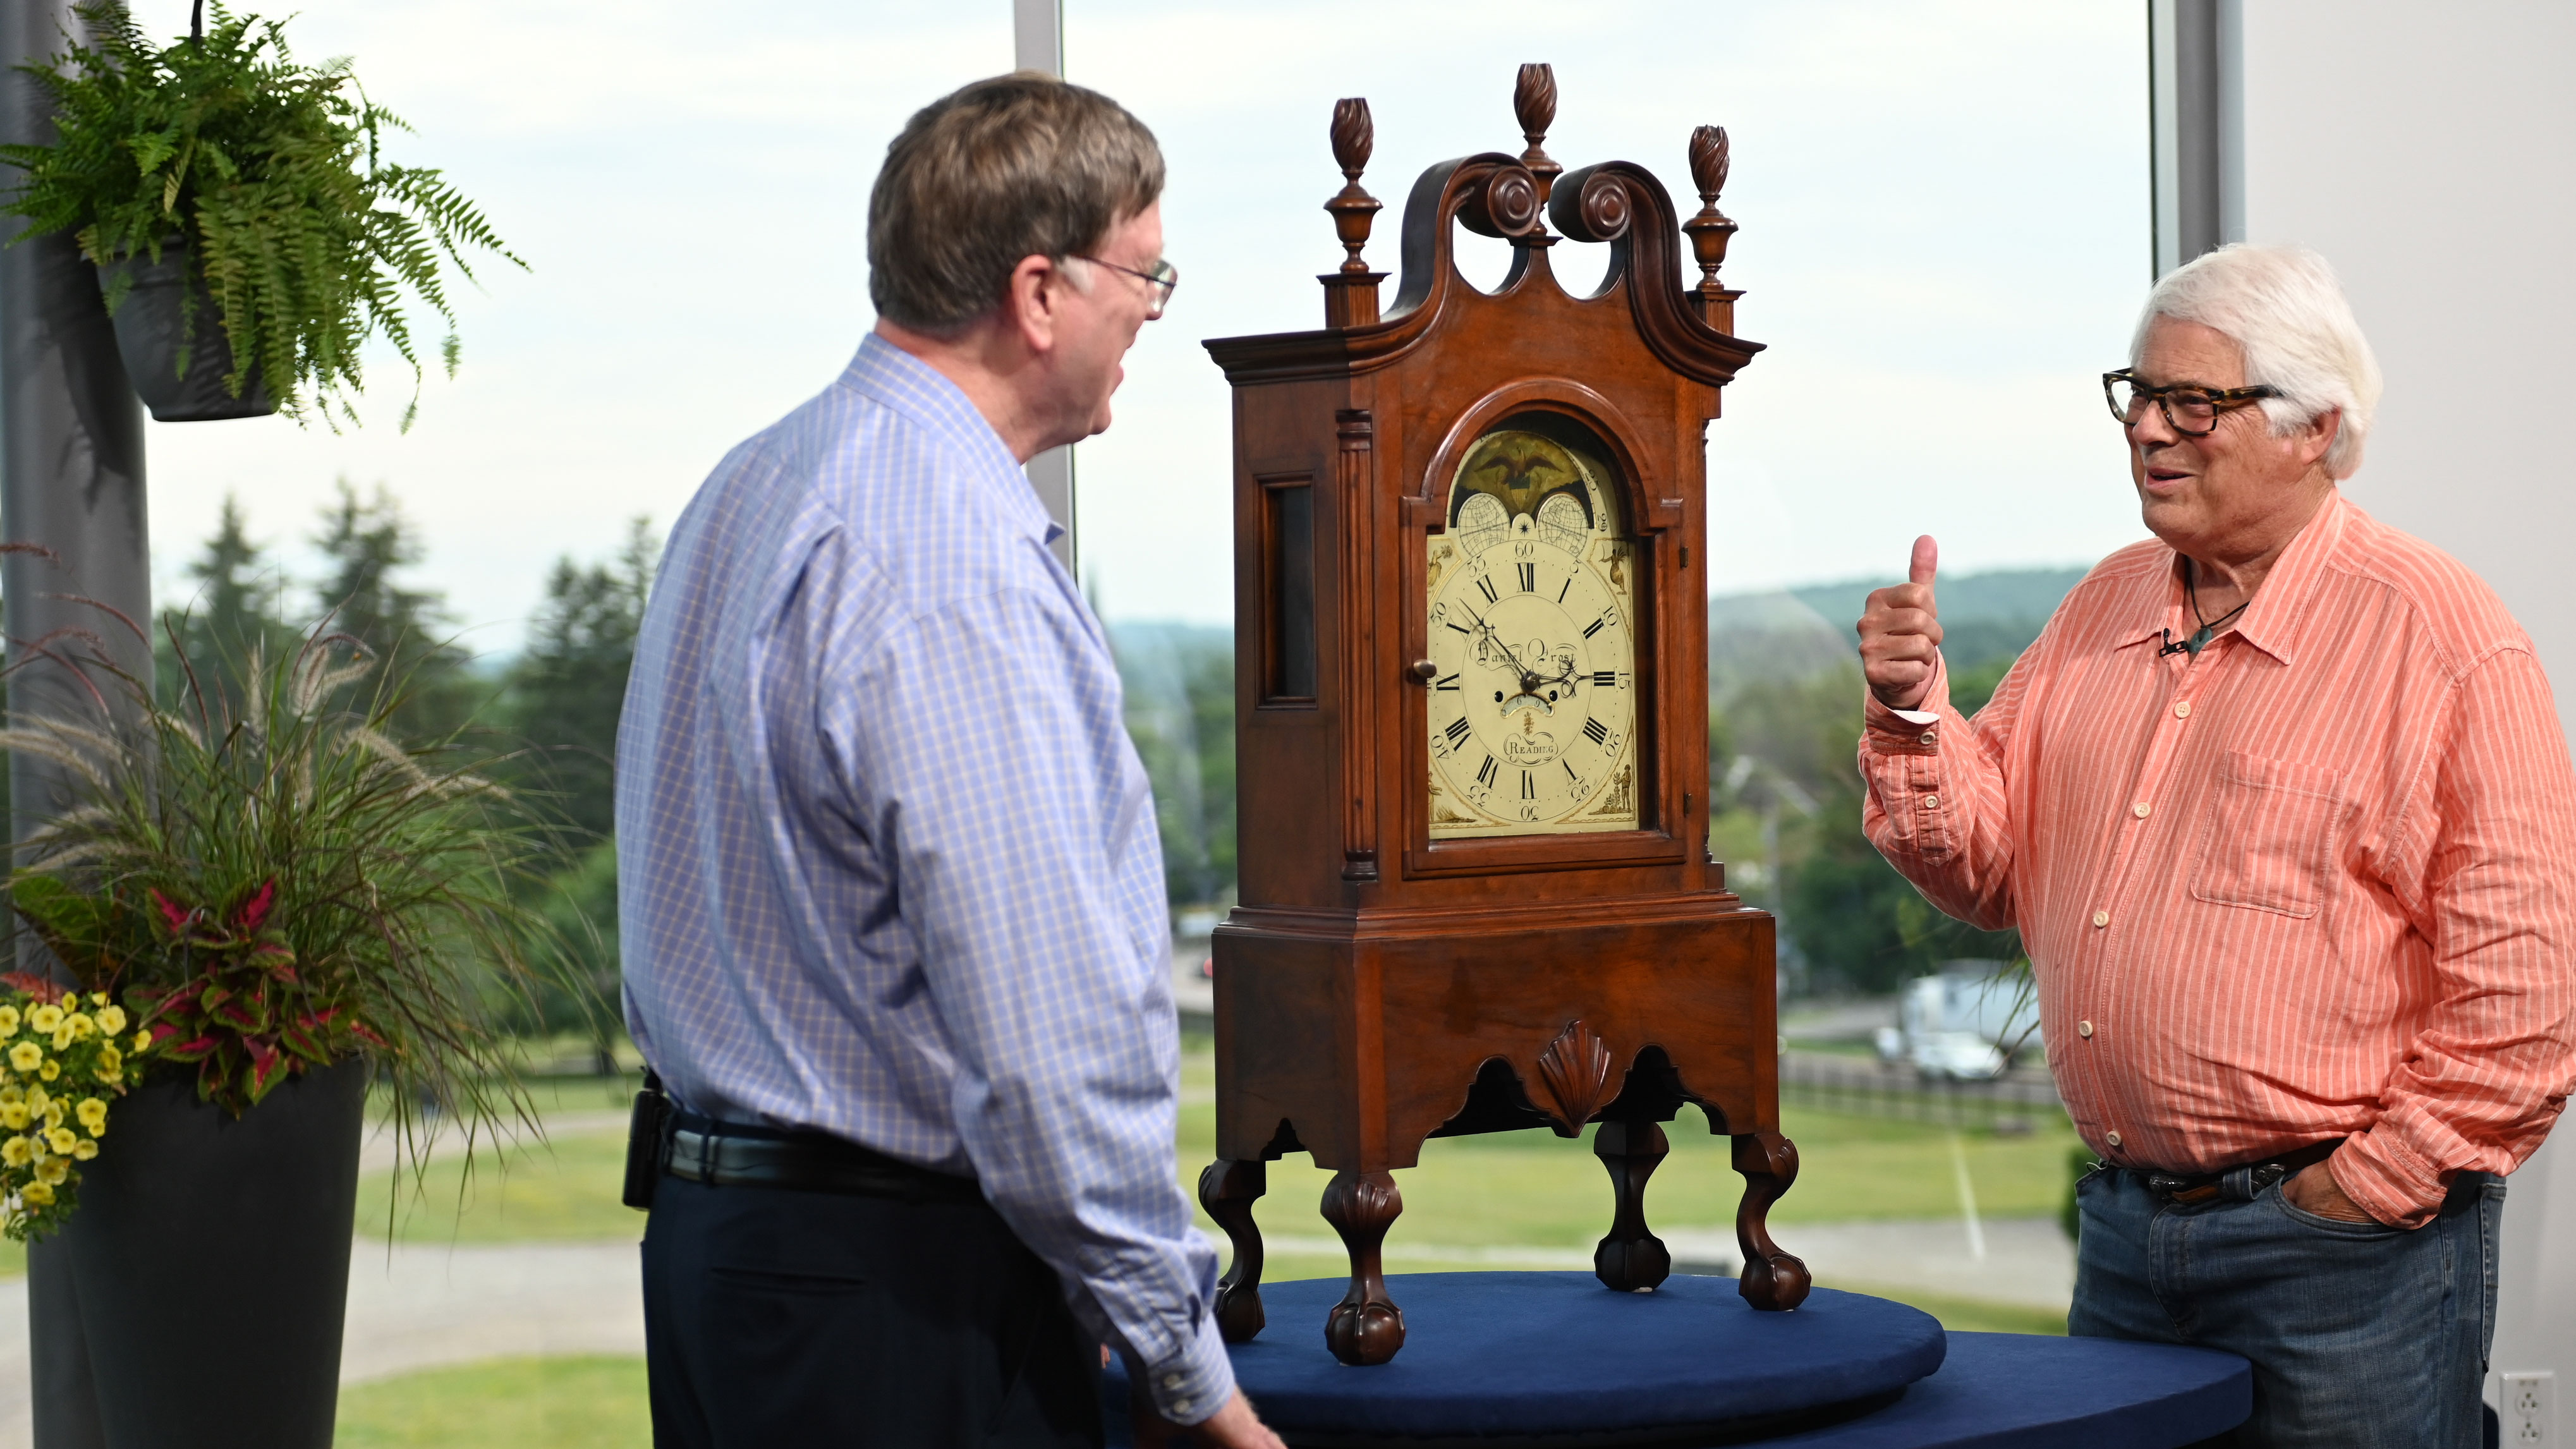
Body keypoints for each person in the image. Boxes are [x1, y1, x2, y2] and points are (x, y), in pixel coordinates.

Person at [617, 73, 1284, 1448]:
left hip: (718, 1266)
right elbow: (1045, 1050)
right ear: (1040, 294)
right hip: (892, 1307)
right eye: (1145, 279)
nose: (1151, 318)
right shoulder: (948, 560)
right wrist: (1186, 1367)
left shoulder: (751, 483)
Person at [1852, 243, 2576, 1448]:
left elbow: (2523, 1007)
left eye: (2195, 401)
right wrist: (1916, 705)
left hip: (2344, 1265)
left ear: (2315, 428)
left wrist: (2356, 1194)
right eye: (2136, 393)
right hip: (2131, 1244)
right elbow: (1983, 870)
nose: (2147, 429)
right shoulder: (2107, 602)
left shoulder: (2444, 645)